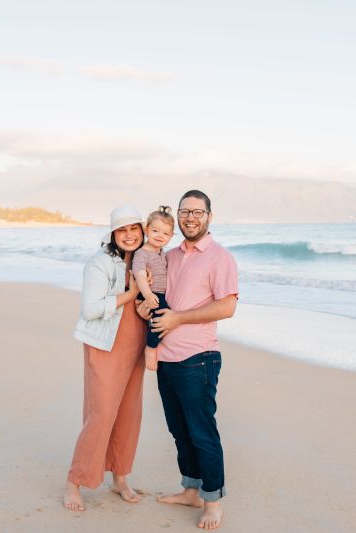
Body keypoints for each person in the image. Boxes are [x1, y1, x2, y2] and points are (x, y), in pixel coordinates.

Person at [140, 190, 238, 530]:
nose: (190, 217)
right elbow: (160, 299)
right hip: (166, 358)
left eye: (197, 211)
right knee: (179, 430)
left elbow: (227, 307)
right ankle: (191, 490)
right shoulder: (170, 256)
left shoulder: (219, 257)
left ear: (210, 216)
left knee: (201, 432)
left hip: (199, 358)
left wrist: (178, 318)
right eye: (185, 212)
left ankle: (212, 502)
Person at [64, 205, 147, 512]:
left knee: (129, 415)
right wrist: (131, 292)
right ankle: (75, 482)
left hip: (135, 346)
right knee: (100, 415)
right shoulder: (100, 263)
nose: (129, 235)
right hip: (104, 345)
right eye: (122, 230)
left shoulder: (143, 261)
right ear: (113, 234)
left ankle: (120, 478)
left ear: (141, 231)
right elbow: (91, 309)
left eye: (133, 229)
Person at [131, 206, 176, 371]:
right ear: (146, 229)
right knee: (162, 317)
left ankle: (156, 343)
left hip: (156, 294)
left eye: (166, 233)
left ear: (171, 236)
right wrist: (148, 294)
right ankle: (150, 348)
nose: (160, 236)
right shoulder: (142, 253)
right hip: (149, 294)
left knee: (162, 319)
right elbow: (140, 274)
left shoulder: (161, 251)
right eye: (156, 230)